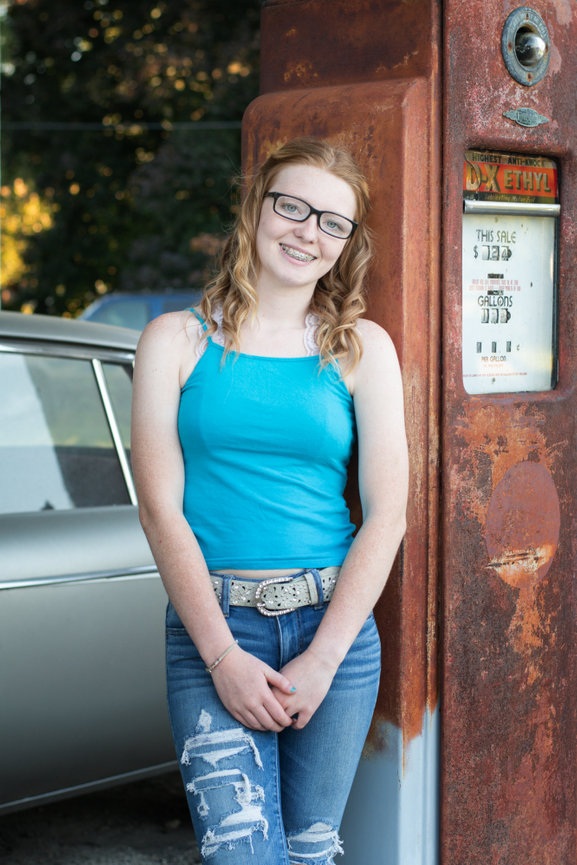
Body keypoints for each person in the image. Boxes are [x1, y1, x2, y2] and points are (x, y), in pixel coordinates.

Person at [131, 137, 409, 865]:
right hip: (213, 629)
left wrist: (323, 657)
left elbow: (388, 512)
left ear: (346, 244)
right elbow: (160, 510)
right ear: (257, 209)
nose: (306, 231)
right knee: (241, 856)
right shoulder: (174, 341)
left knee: (308, 854)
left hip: (334, 634)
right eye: (292, 206)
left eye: (331, 221)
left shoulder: (361, 348)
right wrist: (221, 655)